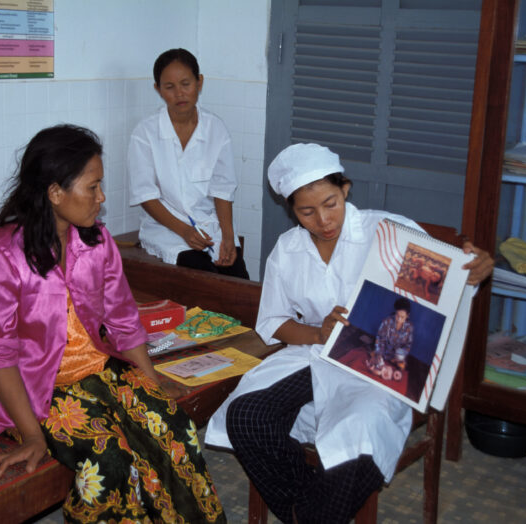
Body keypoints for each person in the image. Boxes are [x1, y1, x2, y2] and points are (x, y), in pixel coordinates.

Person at [205, 143, 494, 523]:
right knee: (246, 416)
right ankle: (312, 515)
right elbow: (273, 322)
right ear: (291, 209)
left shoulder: (387, 232)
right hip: (315, 356)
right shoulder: (288, 249)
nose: (323, 220)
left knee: (359, 436)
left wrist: (474, 265)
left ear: (346, 189)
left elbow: (443, 277)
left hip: (379, 369)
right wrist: (316, 332)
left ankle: (305, 516)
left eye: (330, 203)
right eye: (306, 211)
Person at [0, 124, 226, 523]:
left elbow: (122, 318)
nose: (102, 198)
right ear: (55, 193)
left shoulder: (96, 242)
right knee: (110, 458)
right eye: (93, 187)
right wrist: (33, 435)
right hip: (35, 387)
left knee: (175, 428)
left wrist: (149, 383)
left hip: (98, 369)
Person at [128, 48, 249, 279]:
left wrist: (228, 236)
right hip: (165, 228)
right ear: (158, 89)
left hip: (208, 224)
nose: (179, 94)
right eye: (169, 87)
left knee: (237, 278)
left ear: (199, 82)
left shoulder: (216, 129)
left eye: (186, 83)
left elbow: (222, 189)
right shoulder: (145, 133)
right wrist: (184, 231)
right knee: (201, 272)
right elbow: (145, 196)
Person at [368, 298, 413, 381]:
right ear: (395, 312)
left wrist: (400, 356)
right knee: (374, 360)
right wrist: (379, 353)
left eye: (402, 317)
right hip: (383, 351)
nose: (399, 319)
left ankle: (393, 364)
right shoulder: (387, 321)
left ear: (407, 315)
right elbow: (379, 338)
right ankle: (379, 360)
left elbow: (408, 345)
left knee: (402, 367)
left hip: (396, 356)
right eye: (397, 315)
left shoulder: (409, 327)